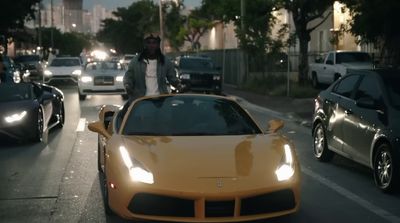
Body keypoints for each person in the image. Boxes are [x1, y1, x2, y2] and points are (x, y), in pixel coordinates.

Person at [123, 32, 181, 100]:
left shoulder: (165, 61)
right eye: (149, 43)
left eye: (154, 43)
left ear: (158, 45)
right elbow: (128, 76)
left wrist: (178, 85)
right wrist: (127, 86)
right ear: (145, 45)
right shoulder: (135, 61)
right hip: (140, 101)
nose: (151, 46)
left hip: (160, 101)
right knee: (124, 110)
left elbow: (172, 78)